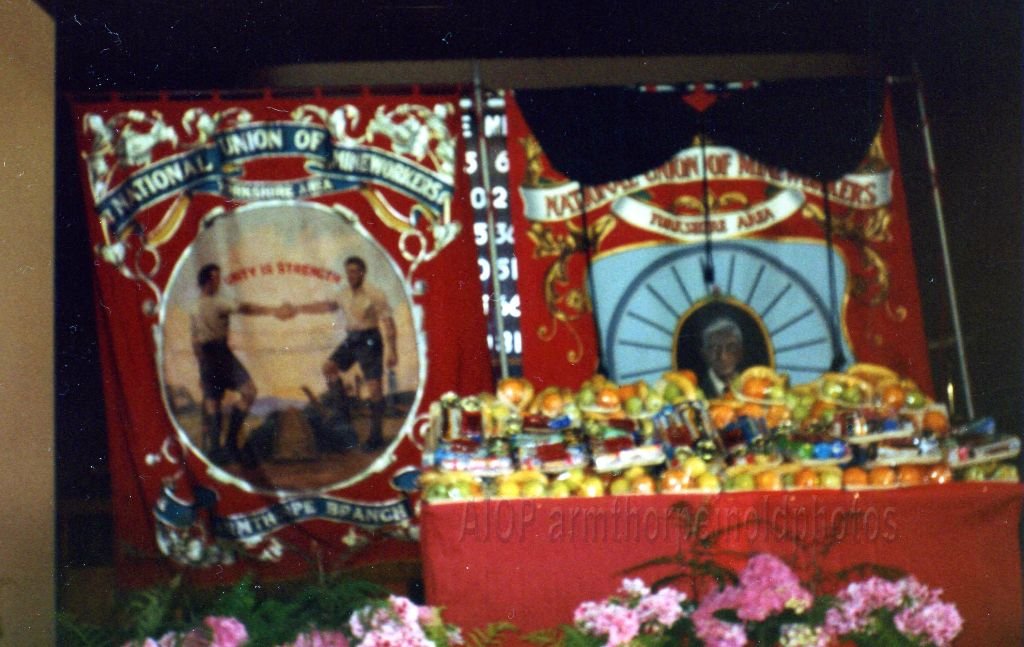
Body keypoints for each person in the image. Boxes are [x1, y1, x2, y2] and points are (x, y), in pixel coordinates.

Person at [191, 263, 290, 464]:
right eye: (216, 278)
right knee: (213, 403)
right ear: (209, 280)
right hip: (211, 355)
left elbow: (193, 340)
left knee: (248, 392)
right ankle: (218, 449)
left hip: (220, 353)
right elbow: (245, 308)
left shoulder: (200, 304)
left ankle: (228, 443)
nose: (219, 282)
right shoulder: (213, 303)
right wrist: (273, 310)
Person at [298, 256, 397, 451]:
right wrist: (297, 308)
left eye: (354, 271)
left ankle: (375, 436)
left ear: (362, 273)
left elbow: (388, 323)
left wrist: (392, 351)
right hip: (352, 338)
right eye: (348, 271)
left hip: (370, 340)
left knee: (374, 388)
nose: (350, 275)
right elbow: (326, 306)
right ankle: (343, 415)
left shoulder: (375, 294)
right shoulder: (343, 294)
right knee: (329, 368)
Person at [698, 317, 745, 398]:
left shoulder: (752, 387)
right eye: (715, 348)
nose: (723, 356)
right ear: (705, 354)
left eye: (731, 347)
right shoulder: (696, 391)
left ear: (740, 352)